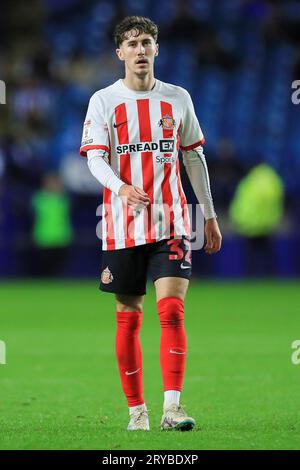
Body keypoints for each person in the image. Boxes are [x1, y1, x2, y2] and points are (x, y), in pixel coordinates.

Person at [80, 16, 222, 432]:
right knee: (129, 314)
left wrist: (209, 214)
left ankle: (172, 408)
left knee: (172, 311)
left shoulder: (178, 99)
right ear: (119, 53)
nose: (140, 50)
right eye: (132, 44)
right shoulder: (104, 100)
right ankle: (136, 411)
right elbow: (94, 157)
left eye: (146, 43)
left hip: (173, 221)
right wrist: (121, 187)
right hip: (122, 223)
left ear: (156, 49)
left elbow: (194, 157)